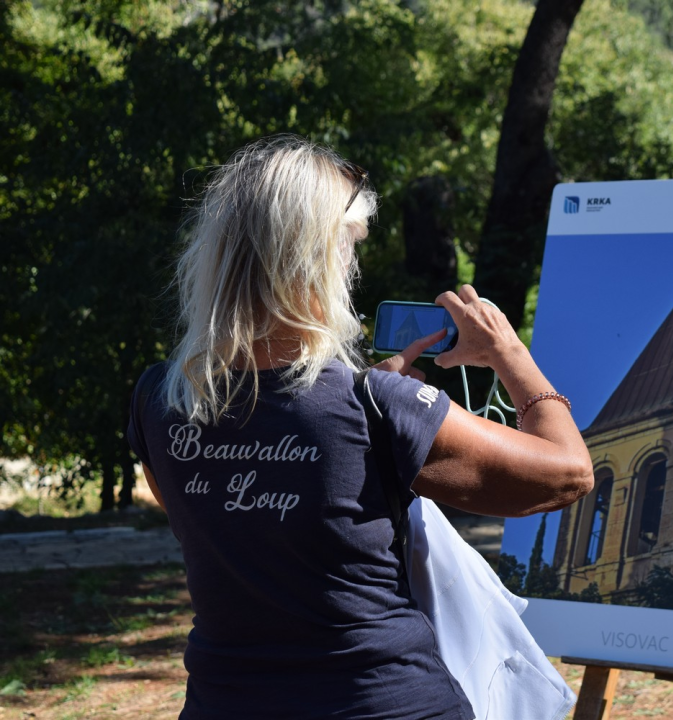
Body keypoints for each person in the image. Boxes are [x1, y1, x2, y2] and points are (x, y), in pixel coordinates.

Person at [126, 134, 593, 719]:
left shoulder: (157, 399)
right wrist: (507, 353)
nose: (354, 264)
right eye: (351, 244)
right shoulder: (374, 405)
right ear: (316, 256)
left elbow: (219, 523)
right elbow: (569, 473)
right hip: (384, 702)